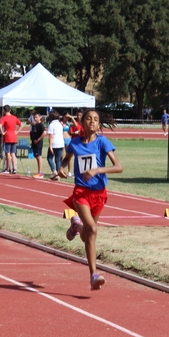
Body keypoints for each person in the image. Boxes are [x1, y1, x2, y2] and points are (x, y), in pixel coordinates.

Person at [58, 109, 123, 290]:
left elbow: (118, 167)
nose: (92, 122)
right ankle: (93, 274)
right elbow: (66, 159)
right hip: (81, 193)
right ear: (82, 122)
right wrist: (61, 168)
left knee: (87, 234)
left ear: (99, 124)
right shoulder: (75, 143)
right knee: (93, 229)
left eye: (95, 119)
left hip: (99, 194)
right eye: (88, 119)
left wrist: (97, 170)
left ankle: (76, 226)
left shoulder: (102, 142)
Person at [0, 106, 22, 174]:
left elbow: (0, 126)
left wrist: (2, 132)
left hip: (7, 136)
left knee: (8, 153)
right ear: (10, 110)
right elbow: (21, 124)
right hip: (14, 136)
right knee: (13, 153)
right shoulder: (14, 117)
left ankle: (8, 168)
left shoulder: (4, 118)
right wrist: (17, 132)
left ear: (4, 111)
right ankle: (14, 168)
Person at [46, 110, 65, 179]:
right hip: (61, 143)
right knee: (58, 159)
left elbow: (51, 136)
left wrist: (50, 146)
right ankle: (57, 174)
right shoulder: (60, 124)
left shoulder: (51, 124)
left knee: (49, 158)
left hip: (54, 143)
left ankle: (54, 171)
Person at [29, 111, 47, 178]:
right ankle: (39, 171)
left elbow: (45, 133)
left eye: (36, 117)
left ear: (40, 118)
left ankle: (40, 173)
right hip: (34, 143)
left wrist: (38, 139)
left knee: (39, 156)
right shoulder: (35, 125)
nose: (35, 118)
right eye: (34, 117)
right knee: (36, 156)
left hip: (38, 143)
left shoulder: (40, 125)